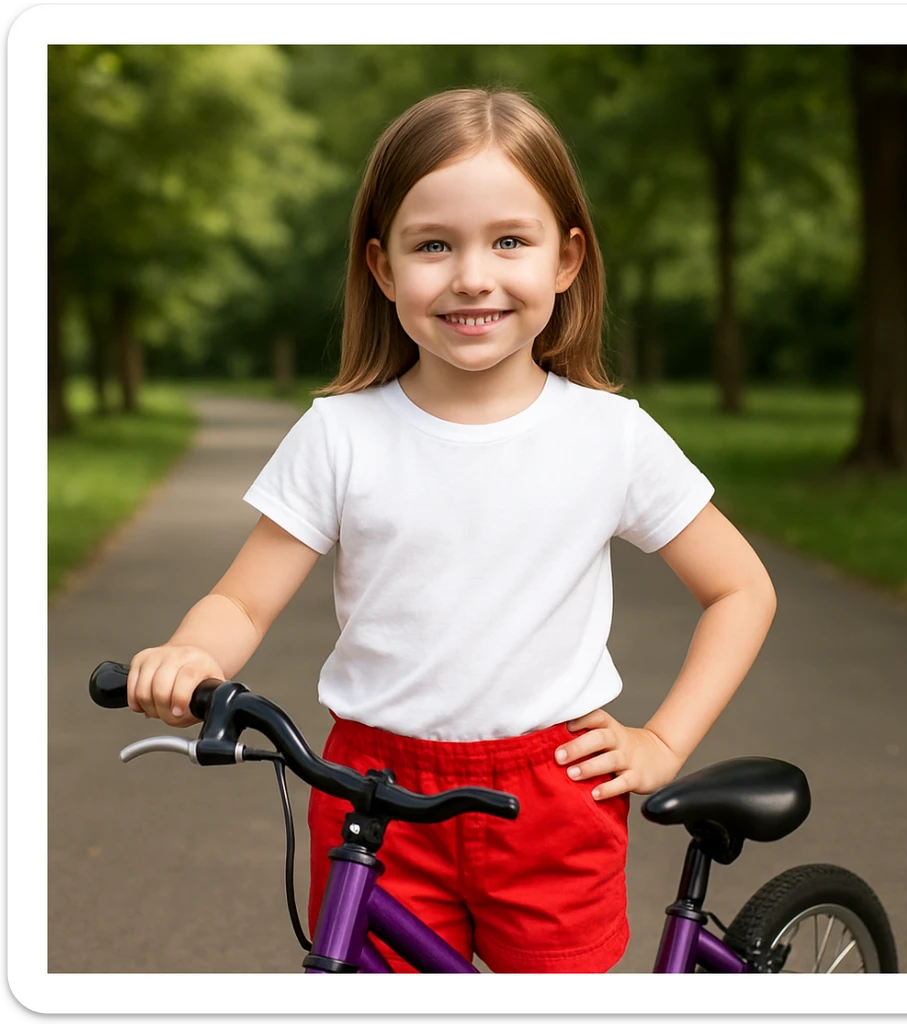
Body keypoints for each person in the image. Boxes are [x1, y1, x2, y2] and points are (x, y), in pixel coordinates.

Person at [126, 87, 778, 974]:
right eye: (434, 245)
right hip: (371, 791)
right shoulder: (341, 434)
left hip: (552, 793)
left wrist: (662, 742)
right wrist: (192, 652)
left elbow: (740, 589)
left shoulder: (609, 436)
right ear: (383, 268)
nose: (472, 275)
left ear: (567, 259)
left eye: (510, 241)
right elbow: (242, 600)